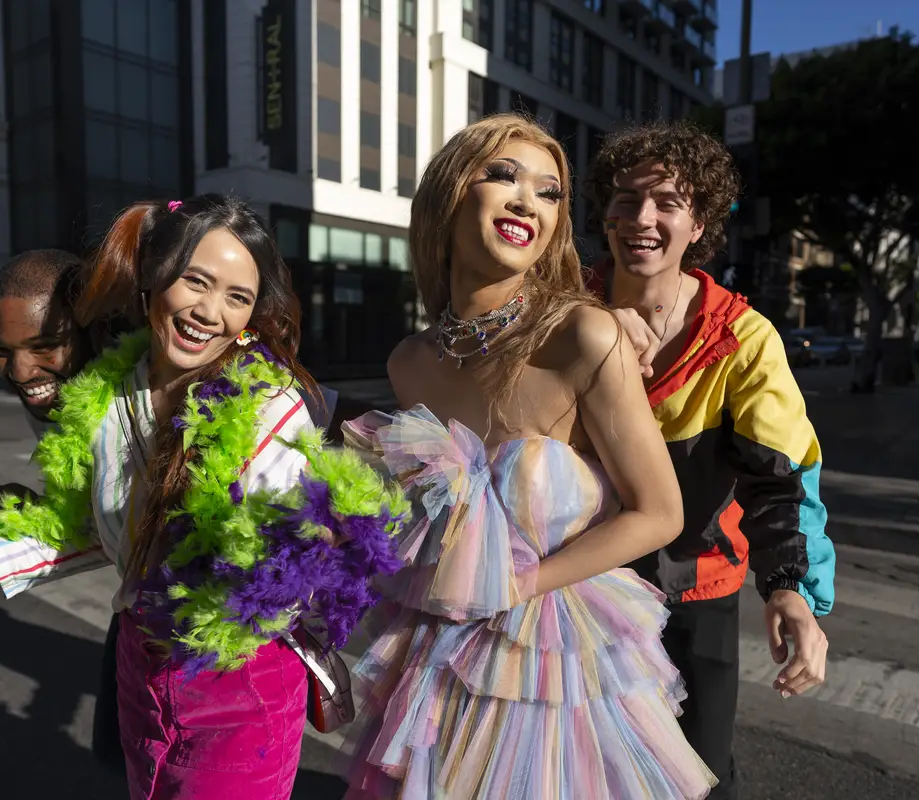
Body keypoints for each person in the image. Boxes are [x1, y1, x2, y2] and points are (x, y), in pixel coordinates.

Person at [0, 195, 404, 799]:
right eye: (197, 282)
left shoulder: (269, 408)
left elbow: (274, 565)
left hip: (236, 682)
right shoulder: (106, 398)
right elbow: (90, 535)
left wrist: (303, 544)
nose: (210, 312)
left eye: (237, 297)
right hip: (140, 668)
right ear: (153, 283)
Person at [340, 114, 715, 799]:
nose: (526, 202)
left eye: (549, 192)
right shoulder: (409, 363)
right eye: (503, 176)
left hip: (556, 662)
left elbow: (659, 513)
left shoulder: (582, 335)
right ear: (450, 194)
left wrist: (515, 585)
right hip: (437, 657)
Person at [584, 119, 835, 798]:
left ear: (699, 226)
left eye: (668, 203)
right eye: (626, 199)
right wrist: (599, 332)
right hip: (578, 590)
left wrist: (788, 588)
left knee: (699, 775)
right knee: (585, 770)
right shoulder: (564, 312)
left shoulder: (744, 338)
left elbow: (778, 480)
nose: (642, 218)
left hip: (697, 593)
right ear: (603, 214)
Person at [0, 248, 124, 772]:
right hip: (142, 607)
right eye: (0, 351)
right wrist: (26, 505)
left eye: (44, 345)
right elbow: (92, 509)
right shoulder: (54, 391)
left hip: (212, 627)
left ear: (91, 331)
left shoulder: (134, 397)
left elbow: (114, 531)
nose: (21, 371)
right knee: (120, 754)